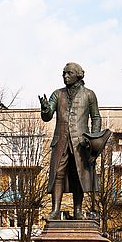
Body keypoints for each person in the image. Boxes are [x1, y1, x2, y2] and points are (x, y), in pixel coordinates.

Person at [39, 62, 102, 220]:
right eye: (64, 73)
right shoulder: (57, 94)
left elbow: (96, 118)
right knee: (58, 174)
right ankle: (55, 211)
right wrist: (45, 108)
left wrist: (93, 139)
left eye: (69, 73)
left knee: (77, 176)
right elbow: (47, 116)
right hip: (61, 141)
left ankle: (78, 211)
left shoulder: (89, 94)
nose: (65, 76)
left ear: (79, 75)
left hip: (80, 143)